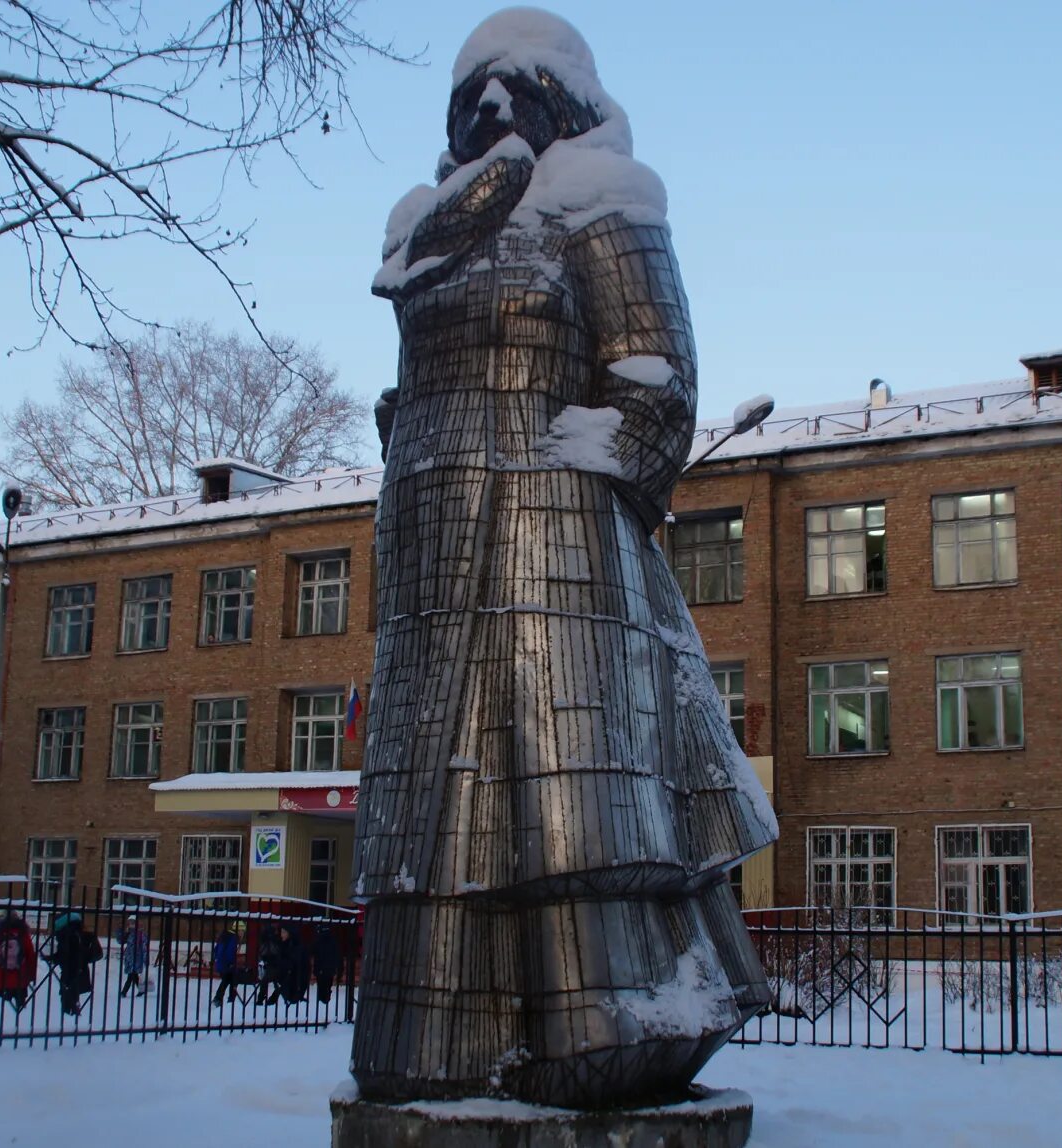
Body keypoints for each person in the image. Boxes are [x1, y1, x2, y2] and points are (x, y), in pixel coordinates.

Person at [352, 10, 775, 1106]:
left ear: (561, 101)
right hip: (432, 543)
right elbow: (410, 385)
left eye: (515, 90)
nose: (492, 111)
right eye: (470, 96)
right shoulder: (424, 231)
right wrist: (406, 444)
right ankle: (437, 1040)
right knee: (436, 804)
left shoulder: (602, 202)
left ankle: (604, 1023)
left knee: (564, 784)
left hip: (552, 533)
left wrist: (579, 474)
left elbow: (654, 374)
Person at [46, 911, 102, 1017]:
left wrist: (53, 958)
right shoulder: (81, 935)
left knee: (68, 1003)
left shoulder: (68, 936)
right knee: (72, 1000)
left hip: (70, 973)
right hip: (79, 972)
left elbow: (65, 955)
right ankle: (73, 1014)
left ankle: (70, 1019)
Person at [0, 912, 37, 1012]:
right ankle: (20, 1023)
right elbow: (30, 954)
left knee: (1, 1011)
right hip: (20, 977)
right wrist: (31, 975)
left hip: (2, 977)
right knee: (21, 1009)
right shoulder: (23, 934)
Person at [264, 924, 309, 1007]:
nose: (281, 935)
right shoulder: (282, 944)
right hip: (283, 975)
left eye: (284, 932)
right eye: (281, 932)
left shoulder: (295, 946)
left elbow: (297, 964)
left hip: (292, 977)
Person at [209, 922, 242, 1007]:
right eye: (242, 931)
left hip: (220, 962)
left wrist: (216, 959)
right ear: (238, 930)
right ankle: (228, 1000)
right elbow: (230, 951)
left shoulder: (225, 936)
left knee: (227, 980)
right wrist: (231, 962)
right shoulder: (233, 938)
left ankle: (219, 999)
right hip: (227, 964)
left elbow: (216, 949)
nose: (242, 933)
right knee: (232, 980)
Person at [116, 914, 149, 998]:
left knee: (132, 975)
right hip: (129, 957)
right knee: (133, 975)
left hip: (137, 957)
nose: (131, 924)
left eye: (133, 922)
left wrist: (145, 958)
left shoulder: (141, 934)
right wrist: (120, 930)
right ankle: (141, 990)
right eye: (130, 922)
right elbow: (120, 941)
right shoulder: (128, 933)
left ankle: (124, 992)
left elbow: (144, 946)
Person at [312, 925, 342, 1006]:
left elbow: (314, 951)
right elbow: (337, 954)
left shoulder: (318, 940)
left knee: (321, 985)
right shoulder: (333, 940)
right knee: (327, 984)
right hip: (330, 969)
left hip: (320, 968)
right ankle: (325, 997)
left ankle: (323, 998)